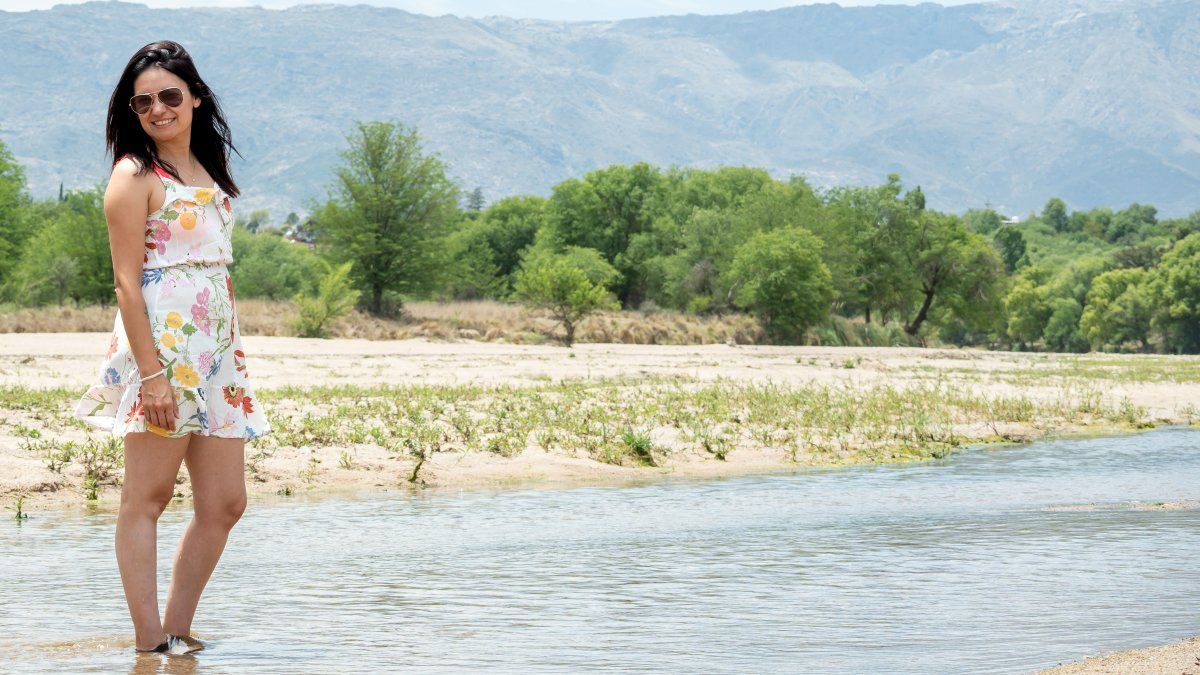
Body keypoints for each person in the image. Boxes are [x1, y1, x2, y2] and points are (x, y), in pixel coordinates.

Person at [72, 40, 271, 656]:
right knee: (147, 497)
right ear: (132, 112)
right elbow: (128, 283)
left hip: (217, 354)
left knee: (226, 502)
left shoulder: (209, 169)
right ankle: (148, 641)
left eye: (169, 96)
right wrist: (152, 376)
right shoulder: (135, 175)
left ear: (195, 97)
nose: (158, 109)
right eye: (144, 101)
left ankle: (177, 632)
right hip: (164, 351)